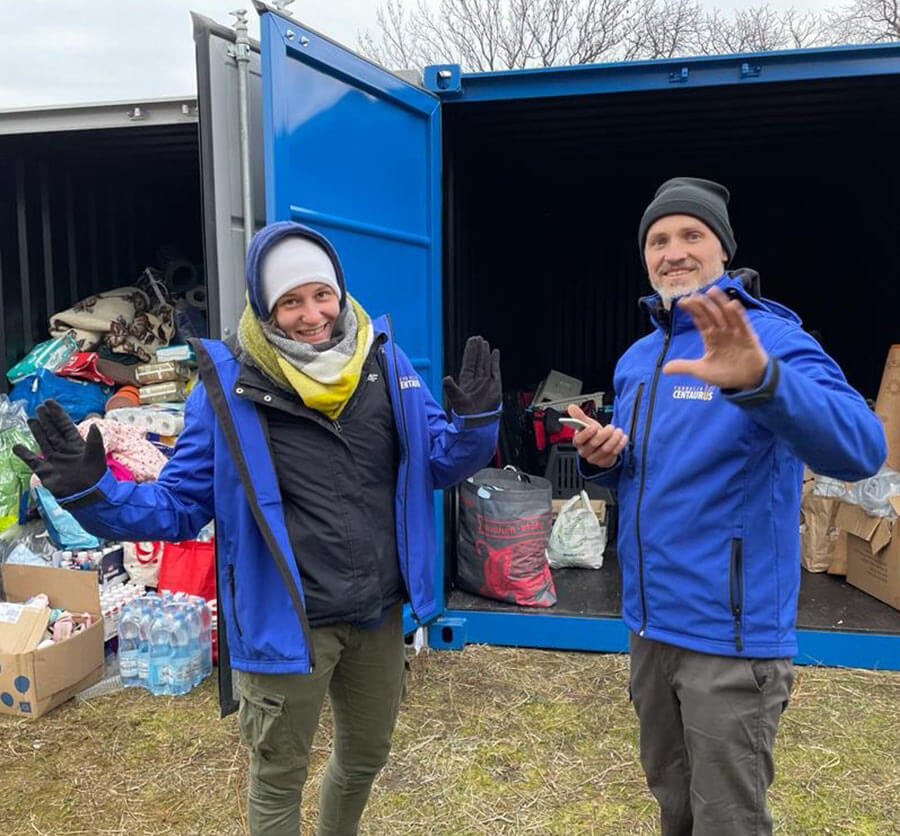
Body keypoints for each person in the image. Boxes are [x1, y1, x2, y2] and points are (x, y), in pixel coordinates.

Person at [15, 220, 502, 836]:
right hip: (285, 623)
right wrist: (94, 490)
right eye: (290, 300)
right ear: (265, 306)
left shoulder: (384, 361)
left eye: (320, 294)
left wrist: (478, 425)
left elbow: (437, 460)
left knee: (365, 757)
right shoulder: (228, 388)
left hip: (377, 613)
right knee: (278, 776)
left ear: (339, 290)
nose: (311, 314)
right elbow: (180, 507)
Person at [567, 177, 886, 836]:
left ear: (723, 250)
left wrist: (762, 380)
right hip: (650, 629)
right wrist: (606, 458)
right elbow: (651, 468)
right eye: (658, 239)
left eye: (691, 235)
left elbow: (861, 448)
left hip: (731, 639)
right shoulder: (638, 357)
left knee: (728, 823)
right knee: (674, 807)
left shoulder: (767, 338)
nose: (672, 250)